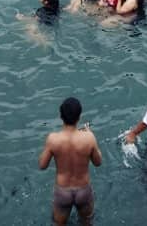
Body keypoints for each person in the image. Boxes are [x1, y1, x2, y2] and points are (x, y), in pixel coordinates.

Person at [38, 97, 102, 226]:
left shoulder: (53, 139)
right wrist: (90, 136)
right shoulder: (89, 138)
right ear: (79, 117)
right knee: (87, 222)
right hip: (83, 190)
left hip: (63, 191)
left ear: (61, 116)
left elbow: (42, 165)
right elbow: (98, 162)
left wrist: (48, 148)